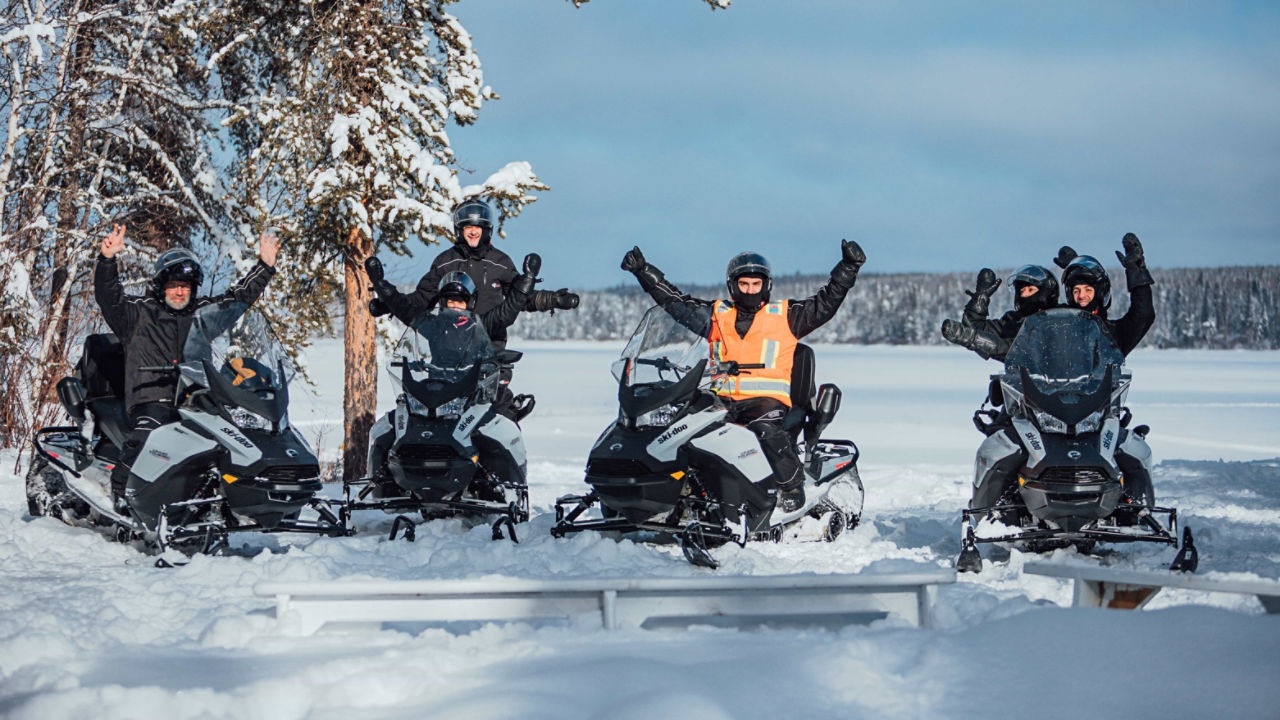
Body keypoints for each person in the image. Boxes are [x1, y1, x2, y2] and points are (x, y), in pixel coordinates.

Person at [620, 239, 865, 513]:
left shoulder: (786, 316)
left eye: (755, 284)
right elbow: (677, 304)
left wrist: (847, 268)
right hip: (719, 399)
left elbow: (825, 304)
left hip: (766, 401)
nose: (750, 290)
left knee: (764, 431)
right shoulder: (717, 315)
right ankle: (681, 493)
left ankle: (791, 486)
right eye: (744, 284)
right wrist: (644, 272)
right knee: (681, 431)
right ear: (733, 285)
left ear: (766, 285)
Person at [94, 223, 278, 506]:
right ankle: (121, 497)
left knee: (235, 440)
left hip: (196, 401)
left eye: (185, 286)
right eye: (174, 285)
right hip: (151, 400)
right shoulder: (137, 314)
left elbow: (236, 299)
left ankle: (230, 502)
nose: (180, 292)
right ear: (161, 286)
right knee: (147, 438)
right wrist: (107, 261)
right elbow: (110, 297)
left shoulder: (203, 315)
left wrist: (264, 267)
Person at [364, 251, 540, 420]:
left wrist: (527, 282)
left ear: (469, 303)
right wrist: (380, 284)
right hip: (437, 393)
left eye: (460, 301)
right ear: (443, 303)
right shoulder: (434, 326)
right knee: (391, 427)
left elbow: (505, 313)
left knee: (500, 424)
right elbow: (405, 309)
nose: (455, 306)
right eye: (451, 301)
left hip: (471, 394)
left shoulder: (479, 326)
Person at [1055, 232, 1155, 356]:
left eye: (1088, 290)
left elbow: (1143, 314)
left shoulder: (1113, 334)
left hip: (1102, 376)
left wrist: (1136, 271)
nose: (1081, 296)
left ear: (1099, 293)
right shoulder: (1058, 326)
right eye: (1076, 291)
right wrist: (1077, 264)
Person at [940, 265, 1059, 361]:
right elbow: (976, 328)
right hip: (1024, 386)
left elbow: (1023, 349)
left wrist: (974, 338)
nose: (1024, 295)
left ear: (1047, 292)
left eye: (1031, 290)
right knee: (996, 387)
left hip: (1065, 384)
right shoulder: (1014, 321)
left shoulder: (1062, 320)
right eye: (1021, 290)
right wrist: (981, 298)